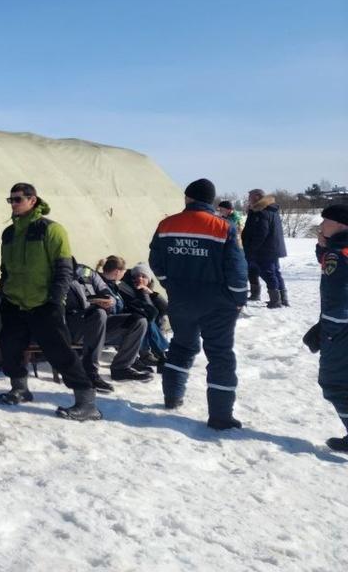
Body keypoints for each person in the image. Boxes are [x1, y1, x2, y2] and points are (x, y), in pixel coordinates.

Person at [0, 182, 101, 420]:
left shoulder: (51, 230)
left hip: (43, 303)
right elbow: (5, 269)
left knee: (59, 351)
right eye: (10, 200)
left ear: (33, 201)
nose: (13, 204)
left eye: (17, 199)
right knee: (10, 346)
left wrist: (56, 300)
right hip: (14, 302)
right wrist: (5, 293)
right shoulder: (9, 233)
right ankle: (20, 389)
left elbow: (64, 269)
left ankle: (87, 402)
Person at [149, 178, 248, 430]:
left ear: (188, 198)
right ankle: (220, 415)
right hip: (218, 304)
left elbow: (156, 261)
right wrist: (238, 299)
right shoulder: (224, 227)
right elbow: (237, 268)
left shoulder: (167, 224)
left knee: (181, 347)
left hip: (181, 301)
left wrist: (169, 284)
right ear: (210, 200)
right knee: (220, 355)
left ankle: (172, 397)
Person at [64, 258, 150, 394]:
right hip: (72, 326)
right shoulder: (54, 275)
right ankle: (89, 372)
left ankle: (121, 368)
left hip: (97, 322)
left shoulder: (85, 271)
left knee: (138, 321)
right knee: (98, 314)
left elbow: (104, 289)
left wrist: (109, 300)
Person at [308, 205, 348, 453]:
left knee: (333, 382)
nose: (321, 226)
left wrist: (327, 326)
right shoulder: (338, 250)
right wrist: (323, 247)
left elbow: (336, 288)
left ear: (342, 225)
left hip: (340, 326)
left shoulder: (338, 253)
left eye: (326, 222)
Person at [242, 188, 289, 308]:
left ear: (257, 196)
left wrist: (252, 248)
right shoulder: (270, 209)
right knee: (275, 272)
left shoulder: (261, 212)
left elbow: (261, 233)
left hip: (265, 250)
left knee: (268, 273)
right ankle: (283, 299)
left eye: (250, 196)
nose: (248, 199)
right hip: (272, 248)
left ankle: (276, 301)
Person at [117, 262, 170, 366]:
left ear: (149, 280)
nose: (139, 279)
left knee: (159, 318)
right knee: (146, 320)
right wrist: (144, 294)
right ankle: (153, 353)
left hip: (143, 320)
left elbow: (165, 309)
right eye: (136, 276)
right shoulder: (125, 288)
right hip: (128, 320)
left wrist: (151, 293)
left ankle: (157, 352)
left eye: (143, 276)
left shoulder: (146, 290)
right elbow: (148, 310)